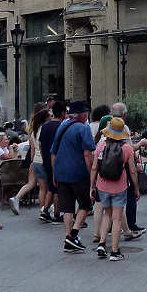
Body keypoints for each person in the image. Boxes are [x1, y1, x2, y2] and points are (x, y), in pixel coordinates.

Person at [50, 100, 96, 253]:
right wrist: (92, 174)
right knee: (86, 204)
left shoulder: (62, 127)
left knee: (68, 208)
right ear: (81, 114)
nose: (87, 115)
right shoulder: (83, 128)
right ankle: (73, 234)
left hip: (61, 173)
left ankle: (67, 238)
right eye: (86, 113)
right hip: (78, 172)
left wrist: (55, 173)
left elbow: (53, 153)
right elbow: (87, 154)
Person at [91, 116, 137, 260]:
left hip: (102, 185)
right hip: (119, 186)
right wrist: (136, 188)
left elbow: (94, 168)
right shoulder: (127, 148)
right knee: (117, 219)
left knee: (107, 215)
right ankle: (115, 251)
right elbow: (133, 171)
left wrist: (92, 186)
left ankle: (102, 243)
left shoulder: (100, 146)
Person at [12, 107, 51, 216]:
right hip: (42, 161)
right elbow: (42, 147)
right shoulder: (44, 129)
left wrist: (32, 162)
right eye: (50, 115)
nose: (51, 117)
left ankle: (41, 209)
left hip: (36, 161)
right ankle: (45, 210)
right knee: (46, 188)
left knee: (38, 187)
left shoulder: (34, 130)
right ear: (45, 118)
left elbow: (32, 148)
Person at [33, 101, 66, 224]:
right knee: (57, 189)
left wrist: (44, 157)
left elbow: (41, 145)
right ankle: (57, 214)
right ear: (62, 113)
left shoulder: (45, 126)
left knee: (51, 188)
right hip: (57, 162)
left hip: (46, 160)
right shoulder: (62, 126)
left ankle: (45, 210)